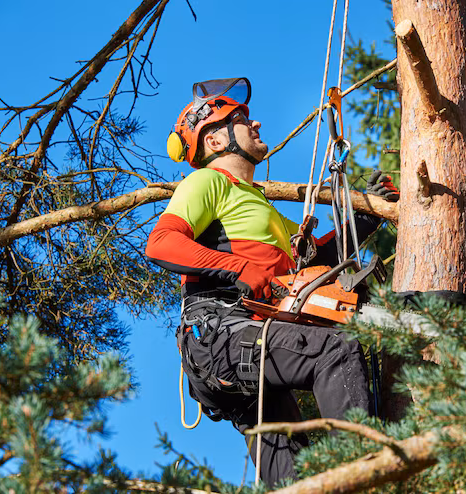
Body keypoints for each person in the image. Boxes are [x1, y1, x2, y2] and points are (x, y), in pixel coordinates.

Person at [145, 78, 399, 486]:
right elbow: (161, 243)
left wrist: (367, 217)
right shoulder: (209, 182)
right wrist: (238, 269)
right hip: (221, 333)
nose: (256, 123)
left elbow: (316, 257)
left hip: (247, 343)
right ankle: (366, 474)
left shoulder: (260, 207)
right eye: (242, 119)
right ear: (214, 142)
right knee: (334, 351)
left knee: (290, 475)